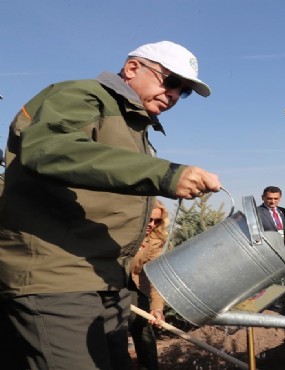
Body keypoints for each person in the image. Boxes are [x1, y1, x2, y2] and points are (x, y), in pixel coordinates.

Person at [0, 40, 221, 370]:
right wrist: (166, 175)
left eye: (184, 91)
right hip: (57, 278)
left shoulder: (136, 126)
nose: (175, 95)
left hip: (105, 282)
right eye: (171, 81)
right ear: (133, 68)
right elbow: (49, 148)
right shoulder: (82, 96)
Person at [128, 200, 169, 370]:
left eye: (157, 221)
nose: (152, 225)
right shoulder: (123, 234)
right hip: (108, 284)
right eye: (149, 220)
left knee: (144, 327)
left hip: (135, 286)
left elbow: (155, 275)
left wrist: (157, 308)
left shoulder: (155, 241)